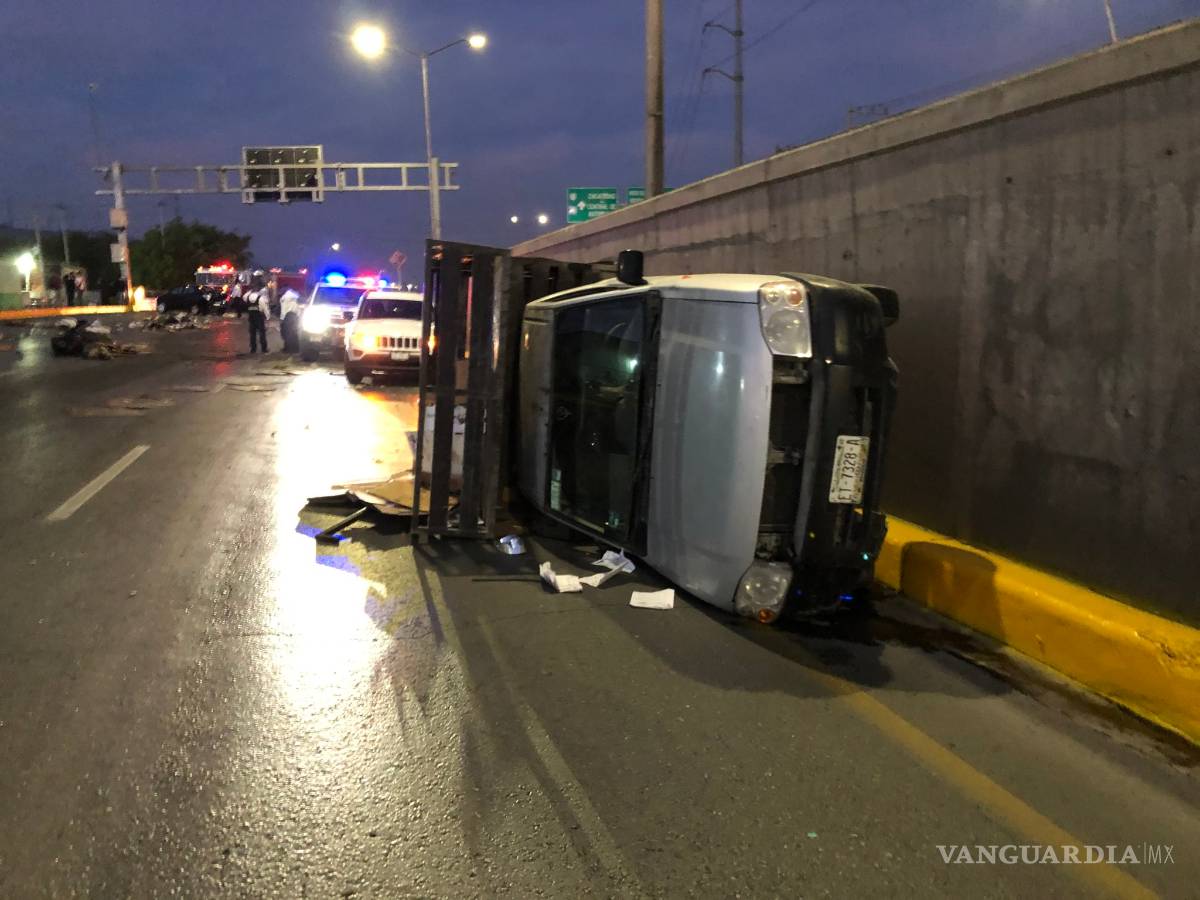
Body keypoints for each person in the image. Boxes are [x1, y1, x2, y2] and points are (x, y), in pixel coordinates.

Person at [245, 274, 269, 353]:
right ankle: (264, 349)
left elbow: (244, 297)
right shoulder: (260, 298)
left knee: (252, 334)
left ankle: (253, 349)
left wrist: (249, 292)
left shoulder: (248, 297)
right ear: (258, 289)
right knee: (262, 333)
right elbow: (265, 308)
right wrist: (267, 317)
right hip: (259, 318)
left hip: (251, 318)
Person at [279, 286, 301, 353]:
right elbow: (298, 307)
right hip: (295, 316)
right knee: (294, 332)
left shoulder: (284, 298)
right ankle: (296, 348)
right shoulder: (296, 296)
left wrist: (281, 319)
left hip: (287, 316)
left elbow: (283, 309)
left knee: (286, 333)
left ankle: (287, 349)